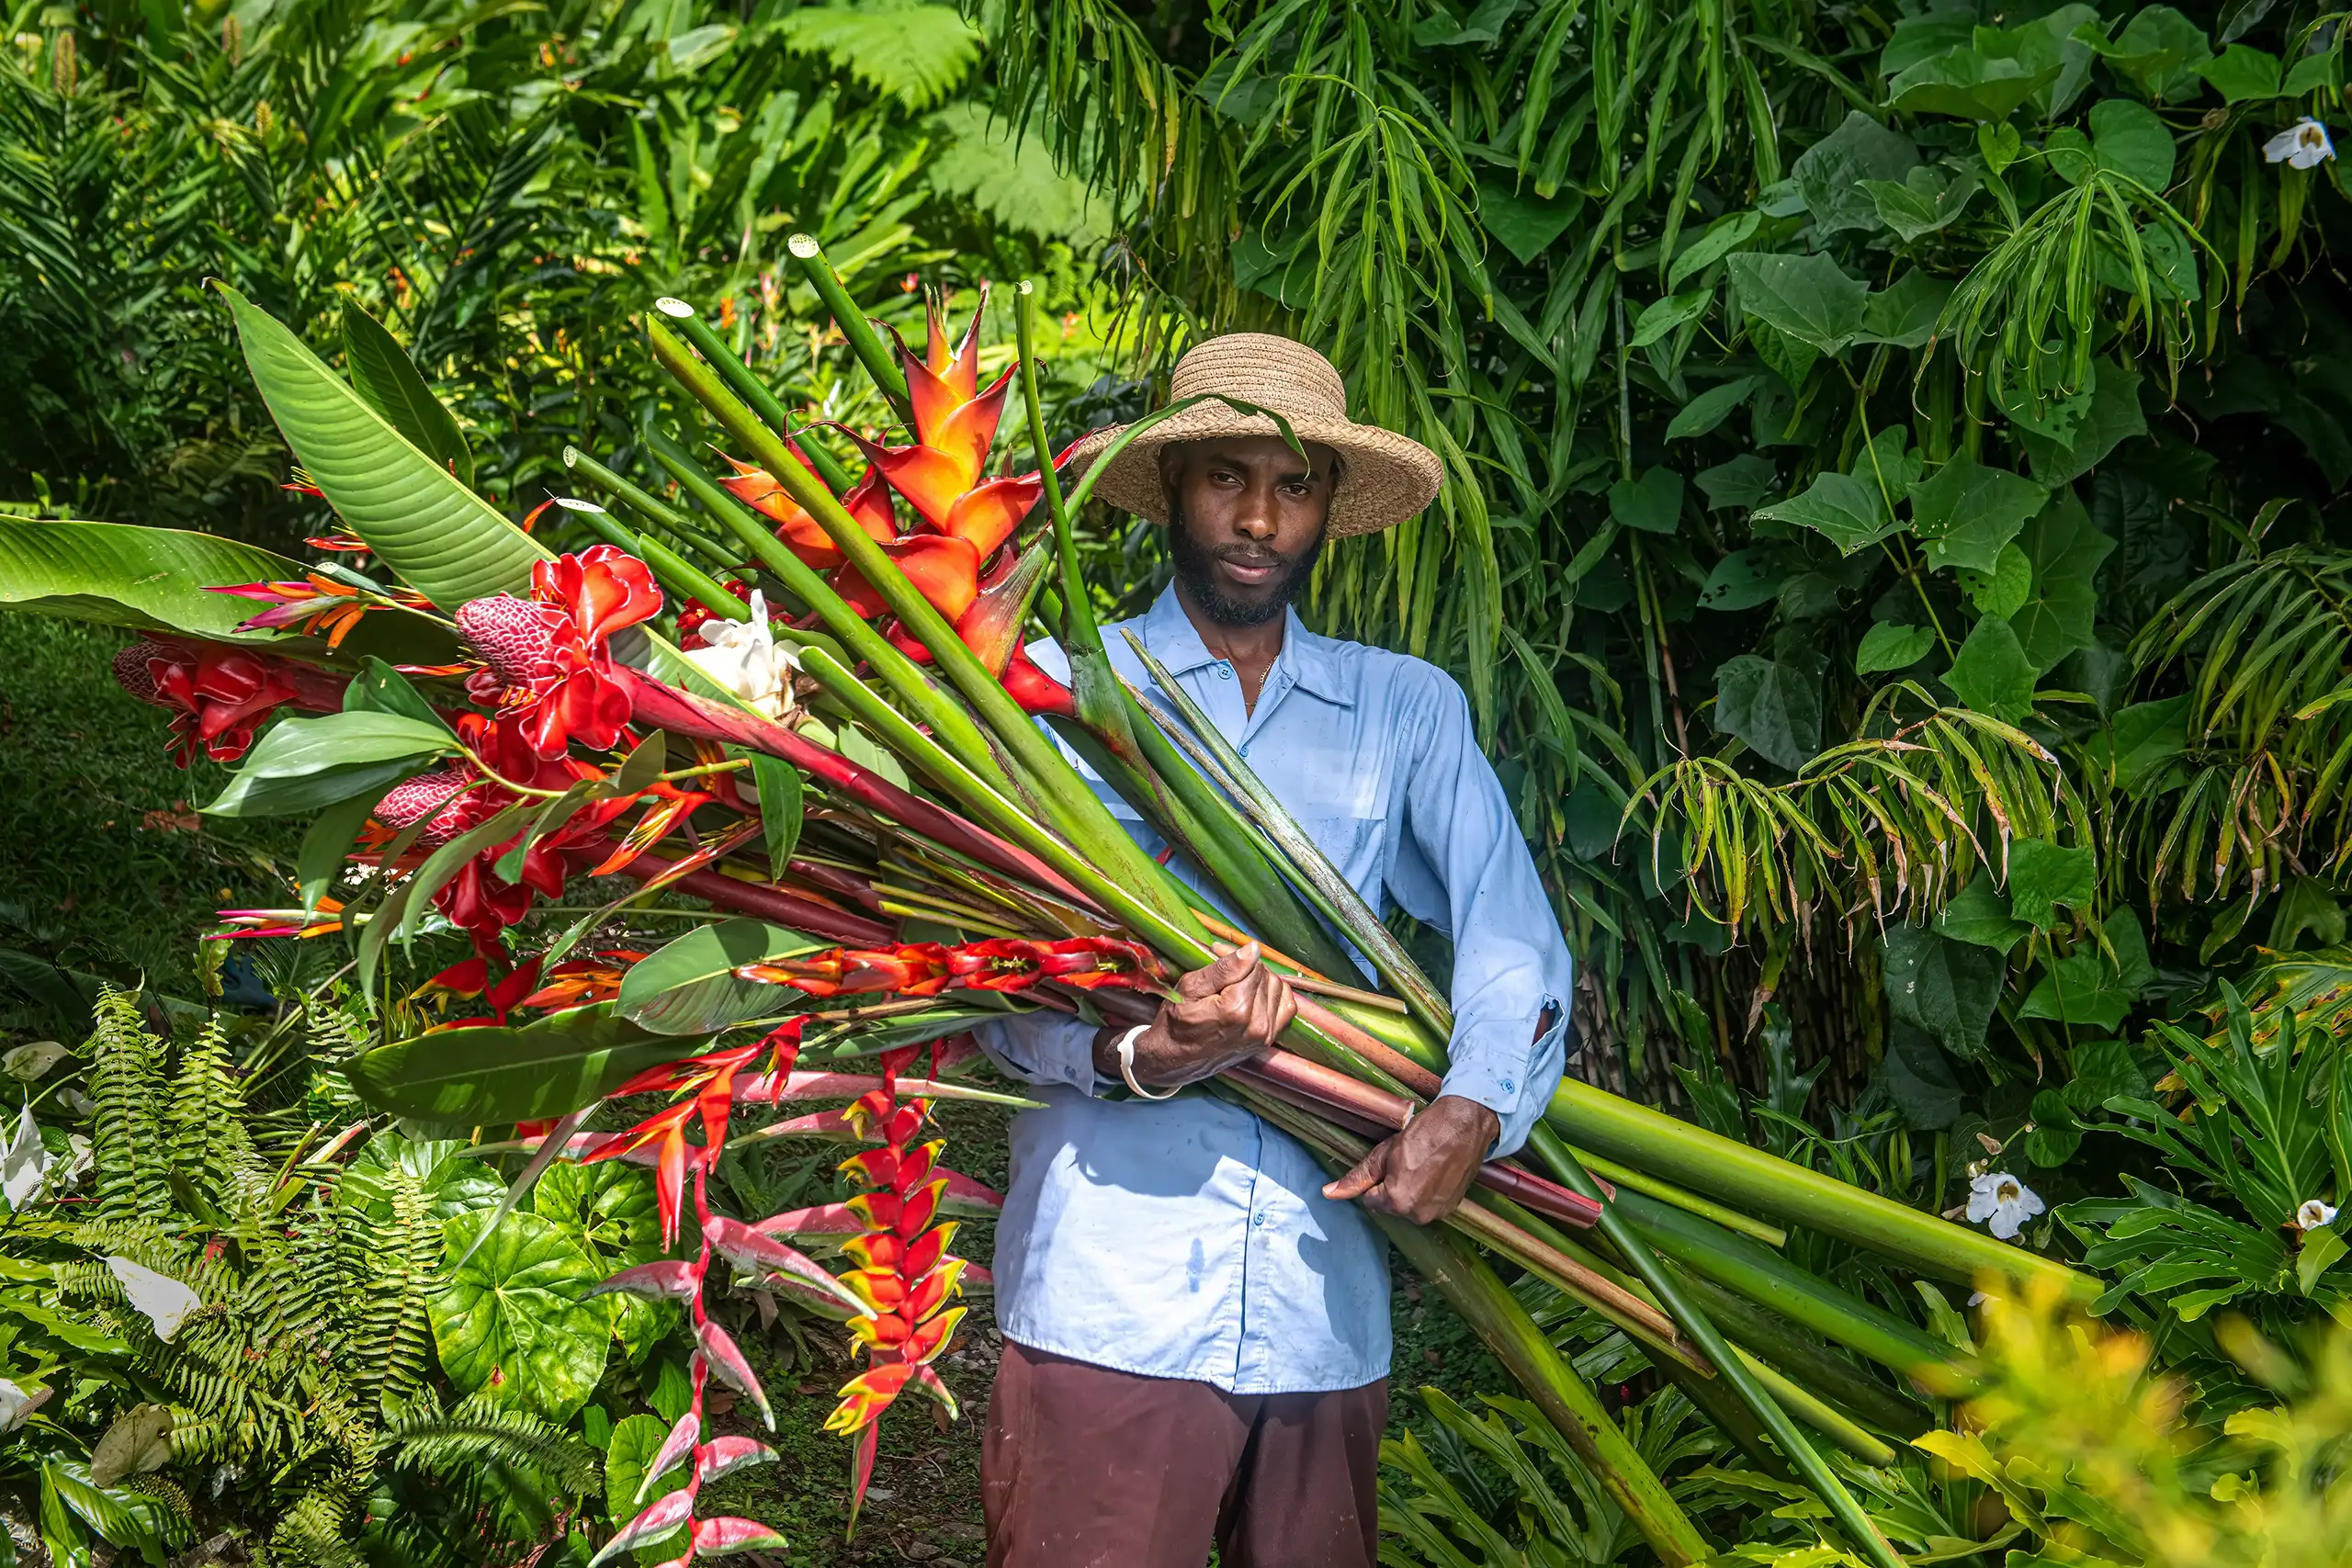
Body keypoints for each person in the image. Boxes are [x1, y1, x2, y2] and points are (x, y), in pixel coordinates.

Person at [976, 333, 1574, 1568]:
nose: (1257, 515)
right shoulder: (1054, 697)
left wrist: (1475, 1102)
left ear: (1328, 511)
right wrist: (1143, 1048)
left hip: (1320, 1301)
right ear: (1178, 490)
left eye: (1291, 484)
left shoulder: (1403, 707)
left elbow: (1508, 923)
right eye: (1228, 477)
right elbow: (983, 989)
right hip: (1110, 1296)